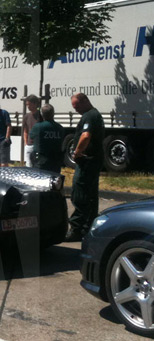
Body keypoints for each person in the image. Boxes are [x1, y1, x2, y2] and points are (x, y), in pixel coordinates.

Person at [66, 93, 105, 242]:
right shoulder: (95, 115)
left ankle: (76, 229)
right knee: (91, 194)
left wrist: (77, 152)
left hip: (87, 161)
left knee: (79, 193)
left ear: (85, 101)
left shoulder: (89, 116)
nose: (75, 110)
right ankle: (89, 227)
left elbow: (86, 136)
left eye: (76, 106)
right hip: (94, 161)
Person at [29, 104, 64, 173]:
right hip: (55, 161)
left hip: (41, 161)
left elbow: (31, 138)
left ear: (42, 114)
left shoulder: (38, 127)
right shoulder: (60, 128)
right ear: (53, 113)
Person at [22, 94, 42, 167]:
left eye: (29, 105)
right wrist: (26, 143)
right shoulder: (26, 116)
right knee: (29, 166)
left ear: (35, 104)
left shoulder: (41, 116)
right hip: (29, 145)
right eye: (27, 105)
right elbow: (25, 130)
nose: (28, 107)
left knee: (38, 166)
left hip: (38, 145)